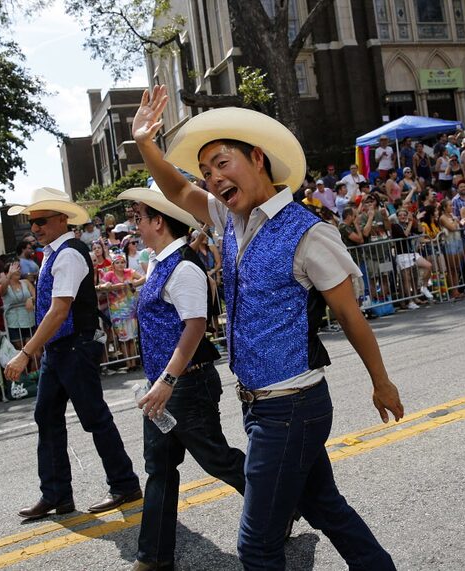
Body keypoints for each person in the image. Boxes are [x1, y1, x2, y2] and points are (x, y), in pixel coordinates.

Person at [131, 85, 403, 569]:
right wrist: (145, 144)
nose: (213, 178)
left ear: (257, 158)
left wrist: (381, 382)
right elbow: (175, 189)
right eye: (207, 171)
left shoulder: (309, 231)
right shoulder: (228, 220)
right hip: (263, 407)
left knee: (257, 547)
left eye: (222, 163)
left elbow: (349, 315)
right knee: (327, 510)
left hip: (292, 405)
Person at [117, 184, 246, 571]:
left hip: (185, 384)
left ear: (159, 221)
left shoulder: (184, 266)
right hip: (164, 386)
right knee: (158, 467)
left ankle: (282, 503)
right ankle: (153, 556)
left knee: (217, 460)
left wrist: (167, 382)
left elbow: (195, 327)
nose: (135, 225)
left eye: (139, 217)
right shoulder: (159, 263)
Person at [4, 186, 141, 520]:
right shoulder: (55, 253)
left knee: (93, 417)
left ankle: (124, 484)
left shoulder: (67, 253)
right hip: (62, 348)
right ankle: (56, 495)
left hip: (75, 346)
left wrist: (26, 352)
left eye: (41, 220)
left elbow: (60, 310)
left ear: (62, 219)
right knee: (47, 416)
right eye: (31, 222)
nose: (34, 227)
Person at [102, 253, 144, 371]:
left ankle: (134, 363)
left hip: (131, 310)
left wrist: (134, 283)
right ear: (113, 264)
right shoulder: (109, 274)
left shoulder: (129, 272)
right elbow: (101, 285)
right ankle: (128, 363)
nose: (120, 265)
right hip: (117, 312)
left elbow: (144, 277)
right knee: (123, 338)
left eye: (122, 262)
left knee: (132, 337)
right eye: (118, 262)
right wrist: (108, 285)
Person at [0, 261, 38, 370]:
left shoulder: (25, 282)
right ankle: (25, 382)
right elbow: (1, 291)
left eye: (19, 269)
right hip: (14, 323)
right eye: (15, 269)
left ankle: (34, 378)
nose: (18, 271)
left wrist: (31, 299)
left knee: (36, 354)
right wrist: (9, 275)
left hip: (29, 320)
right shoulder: (5, 285)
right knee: (20, 355)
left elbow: (36, 294)